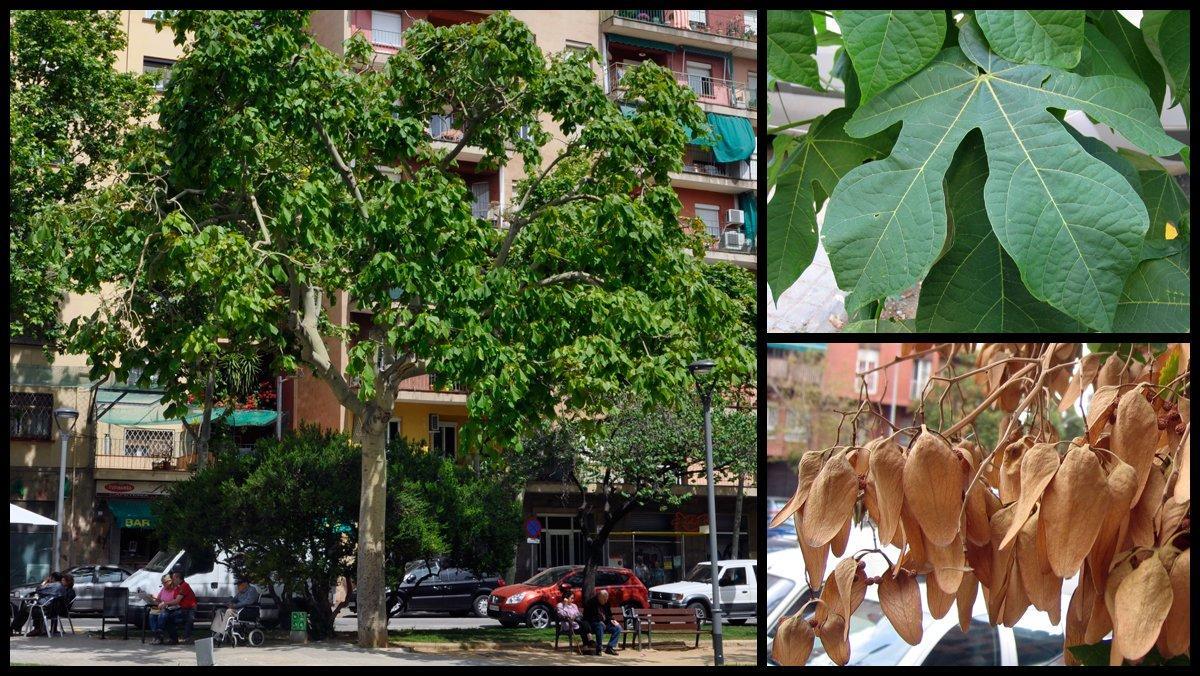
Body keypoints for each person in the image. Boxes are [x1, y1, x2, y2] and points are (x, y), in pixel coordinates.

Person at [162, 568, 198, 644]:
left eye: (174, 579)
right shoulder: (178, 587)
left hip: (190, 609)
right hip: (183, 609)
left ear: (178, 578)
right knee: (167, 617)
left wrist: (166, 603)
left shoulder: (184, 586)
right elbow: (175, 601)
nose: (172, 580)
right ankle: (174, 638)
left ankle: (185, 638)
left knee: (187, 618)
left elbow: (176, 601)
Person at [582, 589, 621, 656]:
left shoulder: (606, 603)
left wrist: (612, 620)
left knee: (618, 628)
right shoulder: (591, 603)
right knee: (600, 626)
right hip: (594, 624)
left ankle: (610, 647)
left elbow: (609, 614)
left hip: (605, 623)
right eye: (604, 599)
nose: (606, 601)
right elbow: (589, 617)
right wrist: (599, 621)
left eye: (606, 599)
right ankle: (599, 648)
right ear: (599, 597)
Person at [146, 575, 177, 643]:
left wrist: (165, 604)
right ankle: (156, 636)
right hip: (161, 609)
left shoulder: (175, 589)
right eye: (162, 583)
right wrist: (152, 598)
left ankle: (158, 637)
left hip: (170, 609)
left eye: (164, 582)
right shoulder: (163, 589)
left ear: (170, 581)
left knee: (161, 616)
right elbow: (158, 600)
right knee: (152, 615)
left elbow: (176, 602)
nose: (163, 584)